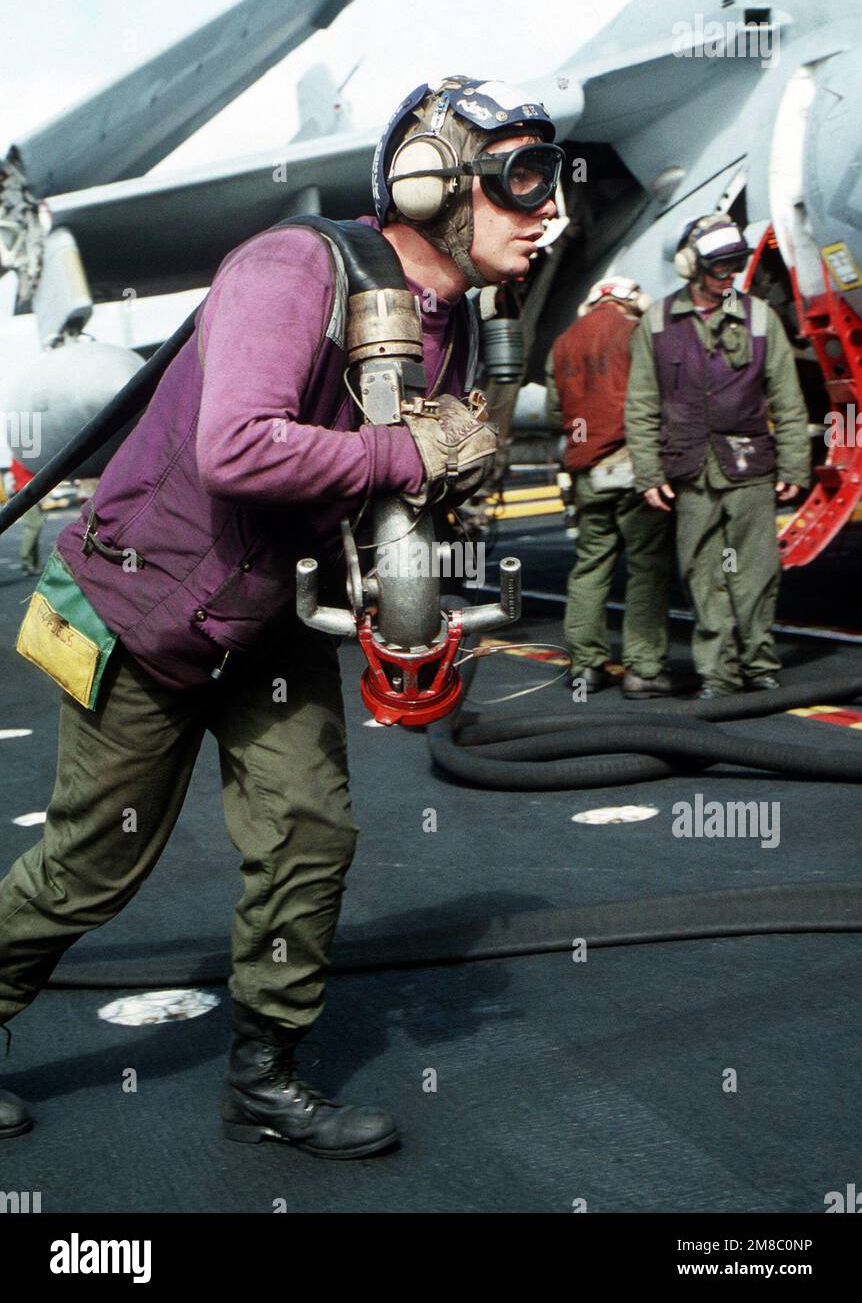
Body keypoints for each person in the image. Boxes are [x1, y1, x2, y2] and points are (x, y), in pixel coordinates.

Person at [0, 76, 562, 1153]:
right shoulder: (292, 267)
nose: (547, 211)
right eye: (521, 182)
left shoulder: (444, 324)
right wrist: (419, 448)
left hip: (269, 624)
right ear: (431, 183)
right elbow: (238, 447)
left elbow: (372, 483)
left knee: (311, 833)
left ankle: (265, 1079)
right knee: (88, 868)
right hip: (146, 614)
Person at [625, 215, 810, 699]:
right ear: (692, 267)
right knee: (702, 576)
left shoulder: (760, 318)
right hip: (688, 470)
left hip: (749, 468)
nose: (728, 276)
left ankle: (759, 664)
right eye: (718, 267)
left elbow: (787, 399)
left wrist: (794, 464)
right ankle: (718, 673)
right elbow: (642, 404)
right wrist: (647, 472)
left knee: (755, 573)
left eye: (735, 265)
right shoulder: (658, 322)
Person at [546, 278, 674, 698]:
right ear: (630, 302)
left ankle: (586, 667)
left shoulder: (563, 342)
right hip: (635, 463)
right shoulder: (636, 333)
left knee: (590, 566)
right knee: (646, 567)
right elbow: (658, 398)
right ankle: (644, 669)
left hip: (588, 470)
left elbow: (554, 412)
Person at [5, 458, 45, 575]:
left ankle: (33, 563)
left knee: (34, 528)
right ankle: (27, 561)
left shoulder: (19, 456)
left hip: (26, 492)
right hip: (28, 493)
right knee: (33, 527)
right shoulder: (26, 457)